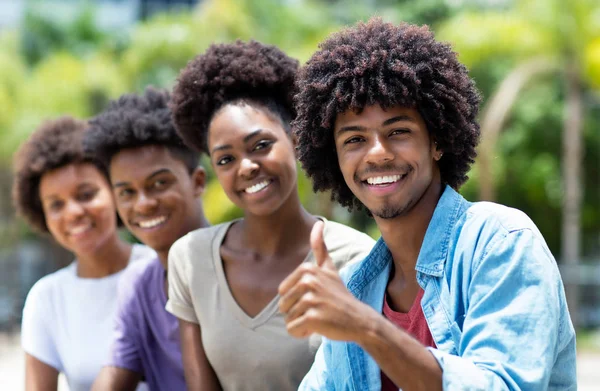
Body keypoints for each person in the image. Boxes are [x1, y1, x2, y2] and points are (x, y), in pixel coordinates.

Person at [278, 18, 577, 390]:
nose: (378, 153)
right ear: (335, 161)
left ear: (437, 142)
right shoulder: (356, 288)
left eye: (398, 132)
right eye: (354, 139)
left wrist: (367, 328)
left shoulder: (501, 242)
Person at [166, 40, 375, 391]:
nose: (246, 167)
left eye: (261, 146)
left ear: (294, 138)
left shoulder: (355, 255)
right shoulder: (190, 259)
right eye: (226, 159)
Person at [13, 117, 155, 391]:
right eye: (56, 204)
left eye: (86, 194)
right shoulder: (47, 299)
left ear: (116, 190)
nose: (73, 212)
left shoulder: (161, 269)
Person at [82, 87, 210, 391]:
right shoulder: (139, 284)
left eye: (159, 183)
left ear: (197, 182)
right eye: (126, 192)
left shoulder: (244, 261)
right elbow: (114, 375)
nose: (142, 204)